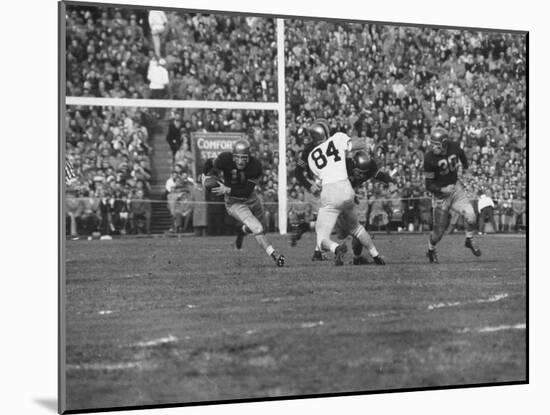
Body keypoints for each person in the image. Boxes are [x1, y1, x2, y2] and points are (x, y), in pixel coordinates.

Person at [297, 118, 377, 266]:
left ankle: (315, 240)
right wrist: (367, 142)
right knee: (343, 227)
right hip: (330, 187)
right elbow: (298, 172)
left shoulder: (316, 150)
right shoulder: (324, 144)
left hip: (328, 187)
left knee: (331, 225)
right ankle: (359, 253)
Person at [204, 139, 285, 267]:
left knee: (263, 228)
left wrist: (227, 189)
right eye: (237, 157)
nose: (240, 161)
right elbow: (209, 163)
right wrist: (205, 177)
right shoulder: (224, 159)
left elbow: (246, 191)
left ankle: (241, 231)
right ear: (233, 157)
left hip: (251, 198)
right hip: (234, 203)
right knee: (257, 228)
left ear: (249, 157)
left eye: (243, 158)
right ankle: (275, 255)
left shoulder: (255, 166)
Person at [423, 127, 481, 263]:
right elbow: (428, 185)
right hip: (440, 197)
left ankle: (469, 239)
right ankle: (431, 250)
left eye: (436, 145)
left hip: (455, 190)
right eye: (432, 144)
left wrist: (466, 167)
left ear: (444, 143)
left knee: (471, 216)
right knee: (438, 233)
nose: (433, 147)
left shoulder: (454, 146)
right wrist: (443, 189)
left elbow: (461, 155)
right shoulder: (429, 158)